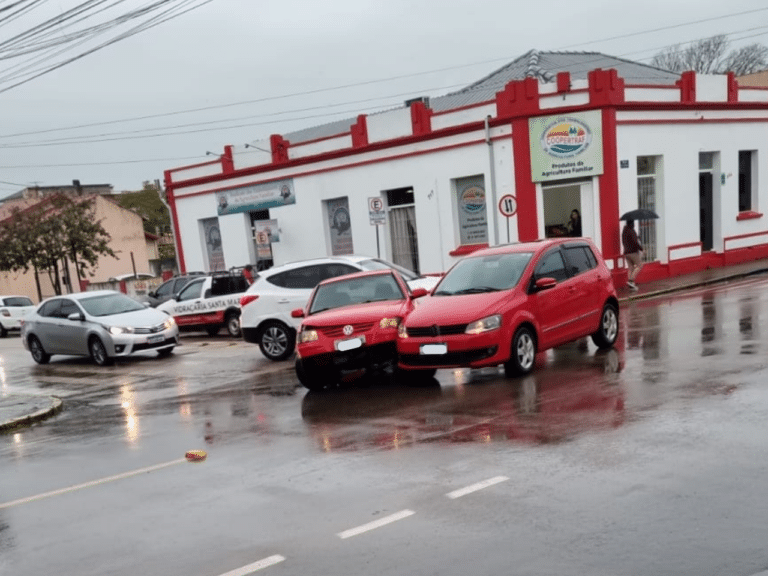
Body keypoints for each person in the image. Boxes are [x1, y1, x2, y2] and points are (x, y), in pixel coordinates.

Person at [622, 219, 643, 290]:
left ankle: (631, 286)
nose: (634, 225)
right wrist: (641, 249)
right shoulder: (631, 230)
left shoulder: (624, 231)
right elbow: (635, 242)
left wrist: (636, 237)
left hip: (626, 253)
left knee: (631, 268)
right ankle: (631, 280)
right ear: (631, 224)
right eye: (633, 223)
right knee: (640, 265)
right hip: (633, 252)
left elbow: (628, 240)